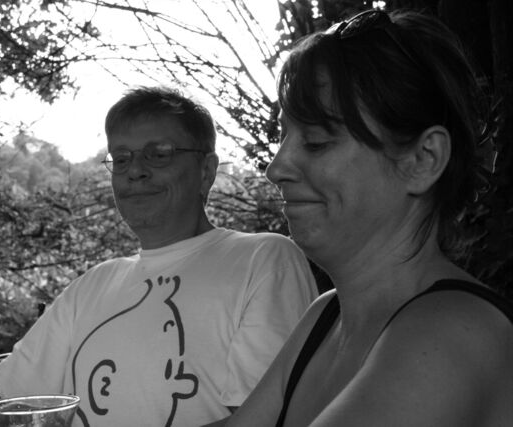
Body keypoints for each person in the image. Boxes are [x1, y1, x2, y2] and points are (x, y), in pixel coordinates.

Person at [0, 85, 318, 427]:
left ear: (206, 171)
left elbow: (267, 419)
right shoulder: (92, 286)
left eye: (159, 154)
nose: (135, 171)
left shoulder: (262, 260)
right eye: (122, 157)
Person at [205, 8, 513, 427]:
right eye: (283, 135)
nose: (276, 168)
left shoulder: (454, 331)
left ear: (423, 160)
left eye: (316, 141)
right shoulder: (325, 316)